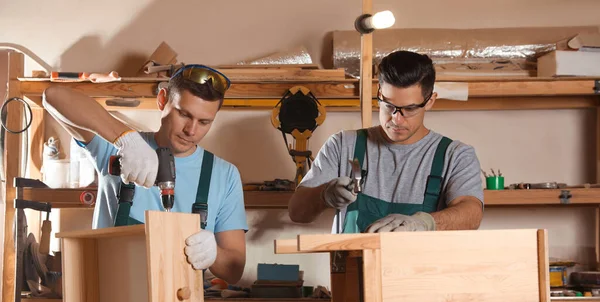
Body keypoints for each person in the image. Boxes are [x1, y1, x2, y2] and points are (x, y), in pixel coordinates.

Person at [42, 65, 247, 284]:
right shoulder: (117, 150)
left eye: (204, 122)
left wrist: (213, 253)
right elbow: (52, 96)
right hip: (112, 301)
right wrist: (126, 139)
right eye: (184, 114)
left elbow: (234, 271)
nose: (191, 130)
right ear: (162, 100)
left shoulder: (224, 175)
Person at [288, 50, 483, 233]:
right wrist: (323, 195)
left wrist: (425, 222)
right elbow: (297, 212)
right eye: (389, 106)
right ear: (379, 94)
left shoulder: (455, 155)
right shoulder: (343, 145)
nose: (396, 119)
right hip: (354, 268)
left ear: (430, 101)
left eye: (410, 109)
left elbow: (472, 213)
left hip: (422, 268)